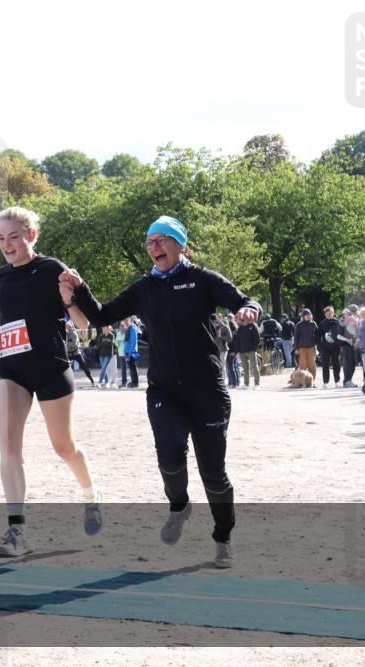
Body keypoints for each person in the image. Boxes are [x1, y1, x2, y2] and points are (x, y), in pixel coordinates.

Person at [61, 215, 260, 568]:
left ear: (180, 244)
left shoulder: (203, 280)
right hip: (164, 390)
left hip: (207, 390)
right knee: (169, 457)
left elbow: (245, 300)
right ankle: (179, 506)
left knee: (213, 473)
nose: (154, 247)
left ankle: (223, 537)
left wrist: (247, 310)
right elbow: (101, 315)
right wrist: (79, 288)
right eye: (149, 243)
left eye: (161, 240)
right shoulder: (144, 288)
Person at [0, 206, 101, 558]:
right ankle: (18, 531)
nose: (7, 245)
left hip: (49, 366)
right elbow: (13, 319)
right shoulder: (1, 276)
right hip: (11, 367)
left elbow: (83, 323)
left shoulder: (52, 269)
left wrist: (69, 299)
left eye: (13, 237)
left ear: (31, 235)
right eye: (1, 238)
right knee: (9, 447)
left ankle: (90, 495)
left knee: (64, 447)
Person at [317, 306, 342, 388]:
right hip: (325, 347)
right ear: (325, 314)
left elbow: (342, 334)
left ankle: (337, 382)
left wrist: (340, 344)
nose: (329, 315)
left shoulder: (338, 322)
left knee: (336, 365)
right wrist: (320, 346)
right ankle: (325, 382)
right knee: (325, 365)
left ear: (333, 313)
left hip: (336, 347)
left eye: (330, 313)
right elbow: (318, 336)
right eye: (327, 314)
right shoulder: (322, 323)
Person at [66, 321, 95, 386]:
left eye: (67, 326)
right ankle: (67, 383)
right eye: (66, 326)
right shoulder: (65, 334)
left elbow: (74, 345)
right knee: (66, 369)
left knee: (84, 367)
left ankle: (92, 381)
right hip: (69, 354)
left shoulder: (74, 334)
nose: (66, 327)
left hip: (76, 353)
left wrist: (66, 343)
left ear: (70, 326)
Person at [293, 309, 318, 378]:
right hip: (301, 348)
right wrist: (296, 348)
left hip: (312, 347)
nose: (308, 316)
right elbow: (296, 337)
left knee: (312, 365)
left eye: (309, 315)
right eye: (306, 315)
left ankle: (312, 380)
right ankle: (302, 380)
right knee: (302, 365)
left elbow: (317, 334)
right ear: (303, 316)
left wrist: (316, 342)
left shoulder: (313, 323)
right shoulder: (299, 324)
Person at [211, 313, 232, 385]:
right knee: (215, 366)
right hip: (215, 349)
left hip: (223, 349)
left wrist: (221, 337)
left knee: (222, 365)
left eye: (217, 317)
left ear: (220, 318)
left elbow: (230, 339)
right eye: (215, 317)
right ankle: (217, 380)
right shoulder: (213, 326)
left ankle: (224, 380)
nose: (216, 319)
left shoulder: (225, 327)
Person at [123, 317, 140, 388]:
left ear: (130, 320)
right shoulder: (128, 328)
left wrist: (130, 353)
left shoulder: (133, 329)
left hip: (132, 352)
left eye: (126, 320)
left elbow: (133, 342)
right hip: (128, 351)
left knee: (133, 367)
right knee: (131, 368)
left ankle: (135, 382)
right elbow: (126, 341)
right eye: (124, 320)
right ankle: (133, 381)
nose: (125, 321)